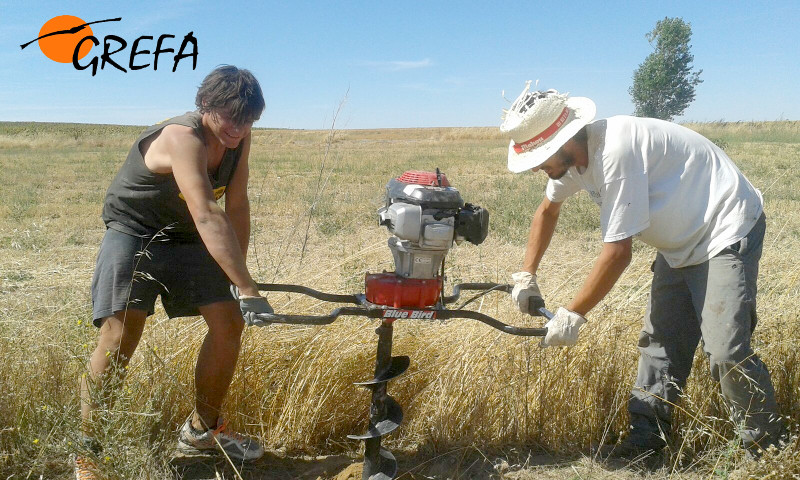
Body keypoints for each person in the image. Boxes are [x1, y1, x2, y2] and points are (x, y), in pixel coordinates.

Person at [500, 81, 785, 459]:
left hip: (724, 228)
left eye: (541, 156)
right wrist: (526, 274)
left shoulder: (615, 152)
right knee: (661, 342)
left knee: (725, 350)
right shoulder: (571, 162)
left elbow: (618, 253)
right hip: (679, 243)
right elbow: (547, 211)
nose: (538, 167)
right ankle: (647, 442)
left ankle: (769, 452)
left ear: (565, 141)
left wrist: (572, 315)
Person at [76, 65, 273, 478]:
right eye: (231, 118)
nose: (238, 129)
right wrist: (248, 286)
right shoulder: (182, 137)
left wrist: (241, 284)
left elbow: (235, 205)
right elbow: (206, 211)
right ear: (206, 106)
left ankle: (203, 430)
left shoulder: (238, 137)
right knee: (119, 332)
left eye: (248, 120)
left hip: (185, 235)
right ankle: (88, 453)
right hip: (135, 231)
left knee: (228, 322)